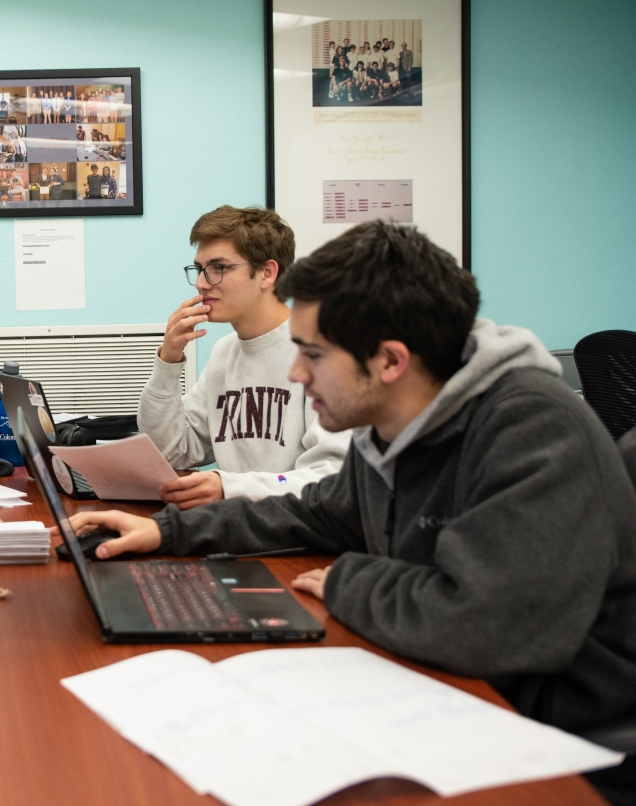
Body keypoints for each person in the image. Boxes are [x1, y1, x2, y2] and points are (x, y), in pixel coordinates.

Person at [72, 222, 636, 792]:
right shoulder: (391, 424)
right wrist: (166, 531)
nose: (296, 373)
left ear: (389, 361)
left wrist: (351, 577)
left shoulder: (532, 427)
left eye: (313, 354)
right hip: (453, 693)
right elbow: (316, 511)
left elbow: (482, 624)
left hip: (566, 742)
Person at [137, 206, 349, 507]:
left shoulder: (325, 353)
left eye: (218, 268)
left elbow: (332, 478)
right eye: (199, 268)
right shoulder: (225, 352)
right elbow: (170, 452)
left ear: (267, 273)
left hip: (298, 535)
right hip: (237, 527)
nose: (201, 282)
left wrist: (230, 487)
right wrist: (168, 361)